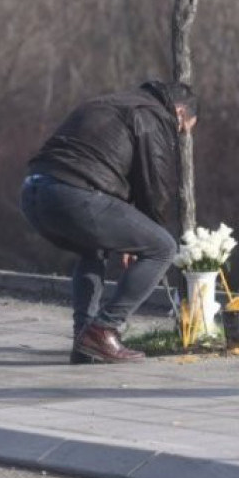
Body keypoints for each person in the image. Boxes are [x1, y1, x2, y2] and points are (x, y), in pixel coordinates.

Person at [21, 80, 197, 364]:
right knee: (162, 247)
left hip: (34, 191)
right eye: (182, 130)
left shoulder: (108, 103)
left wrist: (131, 234)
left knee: (93, 249)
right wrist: (146, 233)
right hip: (74, 194)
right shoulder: (153, 116)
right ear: (179, 113)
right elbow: (155, 187)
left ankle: (85, 340)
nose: (178, 136)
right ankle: (104, 328)